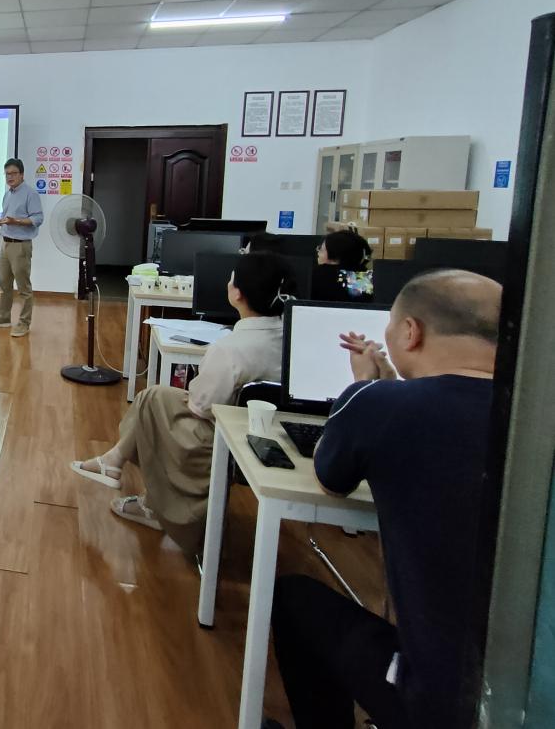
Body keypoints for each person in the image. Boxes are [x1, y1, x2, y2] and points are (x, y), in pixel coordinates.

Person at [265, 269, 502, 729]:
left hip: (439, 705)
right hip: (518, 696)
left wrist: (364, 388)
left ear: (411, 333)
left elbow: (331, 478)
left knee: (295, 601)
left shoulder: (379, 404)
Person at [70, 252, 293, 558]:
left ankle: (149, 502)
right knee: (152, 397)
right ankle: (114, 462)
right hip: (273, 439)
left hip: (223, 442)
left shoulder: (230, 350)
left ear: (237, 293)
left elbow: (200, 406)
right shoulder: (289, 337)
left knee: (151, 410)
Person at [0, 158, 44, 338]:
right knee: (4, 283)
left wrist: (16, 221)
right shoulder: (7, 194)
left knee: (23, 287)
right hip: (5, 244)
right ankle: (4, 317)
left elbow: (38, 219)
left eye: (13, 173)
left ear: (22, 174)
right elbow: (7, 218)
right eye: (7, 174)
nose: (10, 177)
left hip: (21, 246)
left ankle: (24, 323)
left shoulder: (30, 194)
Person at [311, 228, 373, 302]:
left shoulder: (318, 274)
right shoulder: (366, 277)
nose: (318, 253)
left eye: (321, 249)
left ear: (334, 254)